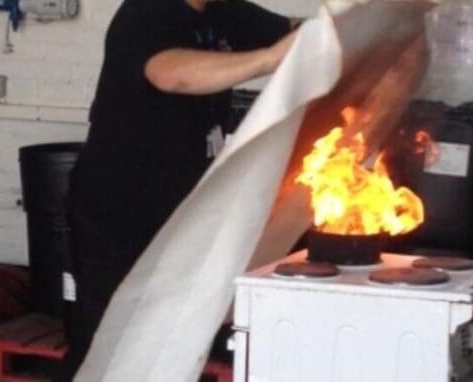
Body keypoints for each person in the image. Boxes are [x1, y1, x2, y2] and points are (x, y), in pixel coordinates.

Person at [55, 0, 296, 380]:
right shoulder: (146, 12)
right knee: (110, 339)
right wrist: (267, 59)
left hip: (180, 210)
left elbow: (295, 32)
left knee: (171, 336)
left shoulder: (224, 12)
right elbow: (170, 74)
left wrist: (348, 28)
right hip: (119, 212)